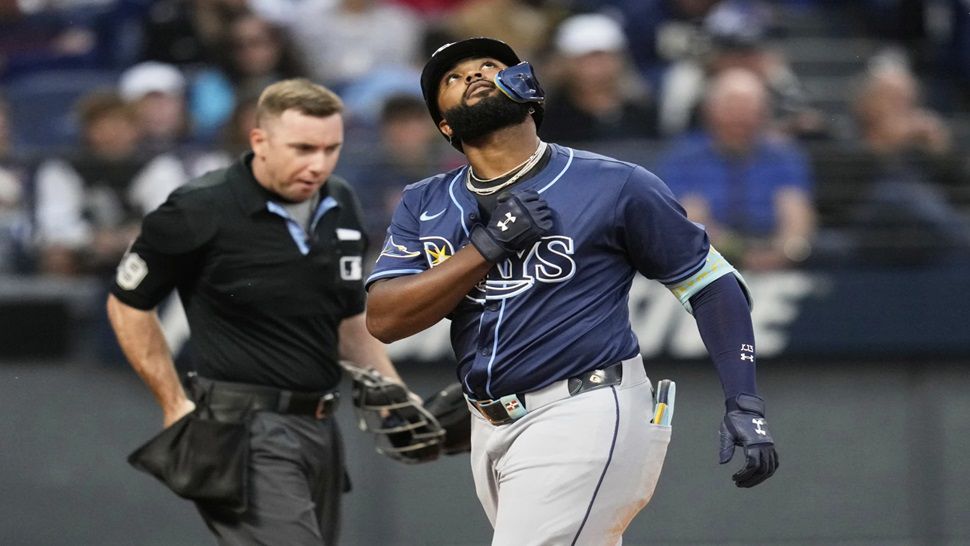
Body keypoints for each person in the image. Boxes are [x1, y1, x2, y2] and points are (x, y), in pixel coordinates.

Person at [365, 38, 779, 545]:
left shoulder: (615, 184)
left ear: (527, 88)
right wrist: (487, 245)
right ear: (445, 125)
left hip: (587, 407)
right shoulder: (424, 202)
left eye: (490, 66)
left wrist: (745, 400)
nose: (473, 76)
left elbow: (711, 282)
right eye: (453, 78)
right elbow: (384, 318)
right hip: (488, 426)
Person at [106, 78, 416, 545]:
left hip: (320, 427)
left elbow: (349, 317)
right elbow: (127, 303)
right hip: (242, 429)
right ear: (259, 141)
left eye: (331, 149)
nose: (318, 164)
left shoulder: (342, 201)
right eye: (303, 148)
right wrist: (172, 401)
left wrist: (390, 388)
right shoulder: (200, 207)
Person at [658, 68, 816, 270]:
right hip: (706, 262)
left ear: (763, 113)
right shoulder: (684, 159)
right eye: (731, 108)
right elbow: (689, 218)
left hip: (777, 256)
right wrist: (739, 253)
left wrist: (785, 252)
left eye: (748, 108)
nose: (739, 117)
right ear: (710, 111)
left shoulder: (784, 156)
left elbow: (797, 214)